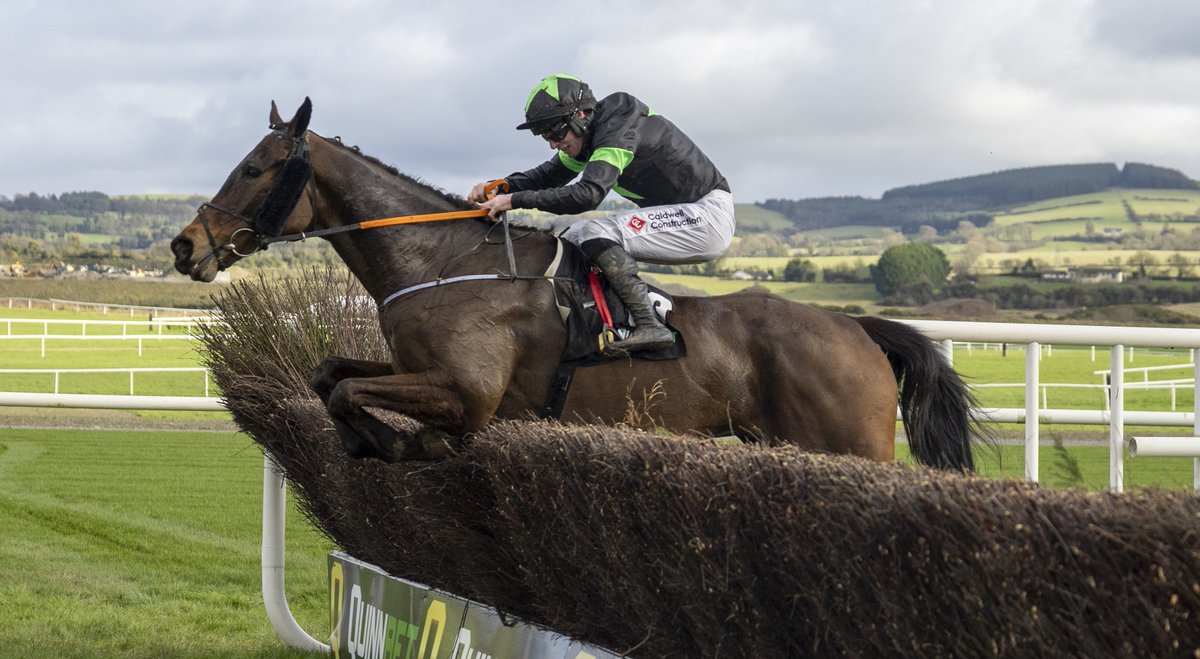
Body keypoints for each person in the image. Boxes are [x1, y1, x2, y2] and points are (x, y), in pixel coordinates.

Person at [468, 74, 735, 354]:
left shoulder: (619, 125)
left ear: (580, 115)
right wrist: (502, 185)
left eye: (555, 133)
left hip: (706, 217)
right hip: (687, 214)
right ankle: (600, 319)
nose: (552, 143)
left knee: (595, 231)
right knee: (571, 237)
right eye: (544, 135)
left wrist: (513, 200)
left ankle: (649, 324)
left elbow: (588, 195)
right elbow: (550, 175)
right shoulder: (591, 133)